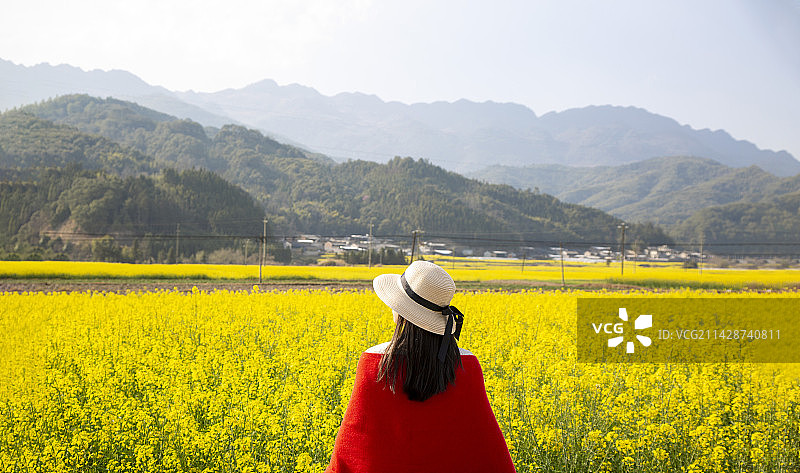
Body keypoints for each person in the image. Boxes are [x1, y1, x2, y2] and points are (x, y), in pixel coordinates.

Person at [325, 261, 517, 473]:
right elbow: (484, 445)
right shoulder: (467, 365)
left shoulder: (374, 362)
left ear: (401, 312)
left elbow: (355, 442)